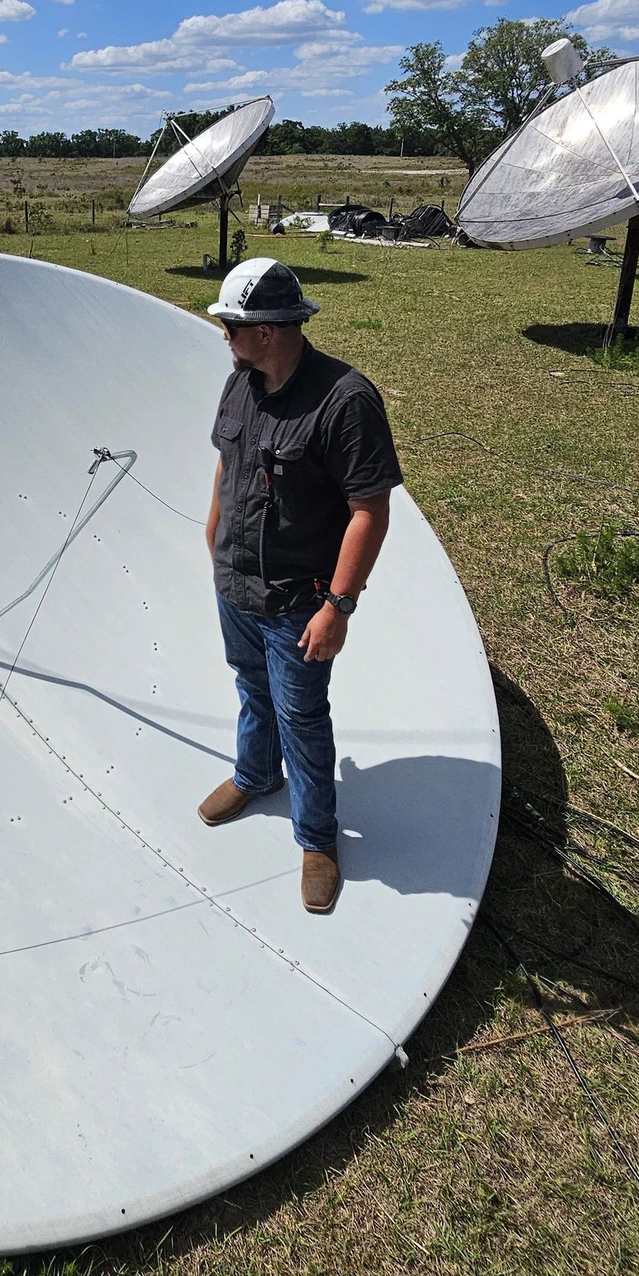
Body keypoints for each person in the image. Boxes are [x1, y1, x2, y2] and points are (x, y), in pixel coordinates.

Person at [199, 258, 402, 914]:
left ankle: (317, 839)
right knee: (251, 688)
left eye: (230, 327)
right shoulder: (240, 383)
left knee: (302, 716)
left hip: (298, 603)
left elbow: (370, 510)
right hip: (236, 585)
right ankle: (256, 776)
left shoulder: (345, 400)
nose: (223, 338)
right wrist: (214, 533)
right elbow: (227, 466)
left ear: (266, 332)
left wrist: (339, 606)